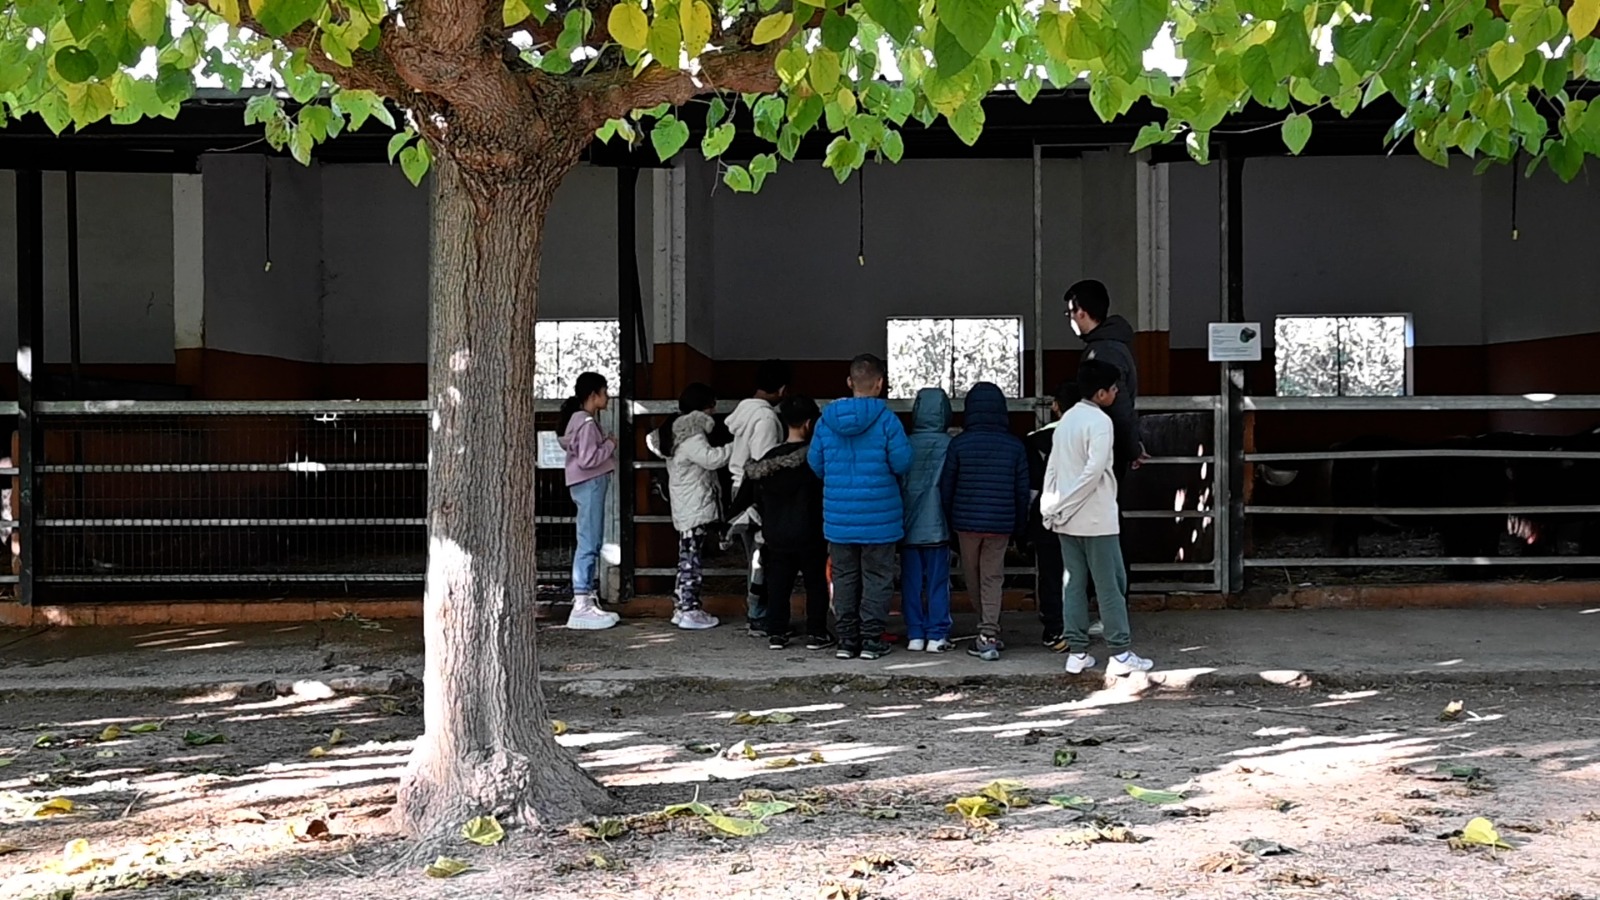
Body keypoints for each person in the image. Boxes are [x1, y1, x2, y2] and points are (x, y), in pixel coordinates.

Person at [1040, 360, 1155, 676]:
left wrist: (1052, 507)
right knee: (1110, 584)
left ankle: (1077, 651)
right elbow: (1094, 472)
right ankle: (1120, 652)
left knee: (1073, 583)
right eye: (1114, 388)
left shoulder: (1066, 420)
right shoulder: (1101, 422)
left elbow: (1053, 468)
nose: (1117, 393)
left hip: (1065, 520)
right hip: (1096, 518)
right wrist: (1069, 503)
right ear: (1101, 393)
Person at [808, 354, 913, 661]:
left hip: (839, 518)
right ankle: (871, 639)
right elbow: (903, 462)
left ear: (849, 382)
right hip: (880, 518)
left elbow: (815, 463)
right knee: (877, 577)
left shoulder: (825, 421)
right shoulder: (887, 421)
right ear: (880, 383)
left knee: (843, 577)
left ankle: (846, 640)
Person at [729, 394, 833, 651]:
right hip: (811, 533)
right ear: (809, 423)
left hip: (776, 534)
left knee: (778, 584)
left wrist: (728, 522)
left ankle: (777, 632)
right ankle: (816, 632)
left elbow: (746, 497)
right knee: (815, 583)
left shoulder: (768, 461)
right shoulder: (816, 460)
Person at [940, 382, 1030, 661]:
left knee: (972, 576)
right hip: (1001, 523)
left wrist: (948, 520)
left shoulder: (959, 444)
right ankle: (988, 632)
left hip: (966, 523)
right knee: (992, 576)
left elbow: (947, 487)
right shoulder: (1015, 446)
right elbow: (1021, 491)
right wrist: (1020, 525)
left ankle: (986, 629)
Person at [649, 383, 730, 630]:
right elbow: (712, 459)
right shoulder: (692, 435)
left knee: (686, 555)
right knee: (691, 558)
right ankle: (690, 609)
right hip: (695, 503)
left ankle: (681, 605)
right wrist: (738, 446)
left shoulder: (674, 433)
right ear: (704, 408)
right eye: (712, 405)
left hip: (685, 503)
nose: (714, 411)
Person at [725, 359, 789, 638]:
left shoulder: (744, 411)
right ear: (782, 389)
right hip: (755, 491)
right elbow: (764, 463)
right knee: (761, 556)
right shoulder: (766, 419)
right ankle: (758, 615)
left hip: (738, 487)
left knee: (754, 554)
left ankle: (757, 612)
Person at [557, 372, 621, 630]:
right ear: (594, 395)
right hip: (591, 482)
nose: (607, 397)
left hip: (585, 484)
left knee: (589, 539)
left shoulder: (579, 421)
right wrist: (609, 445)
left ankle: (586, 599)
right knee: (589, 541)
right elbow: (588, 459)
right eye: (604, 392)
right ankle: (582, 603)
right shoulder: (586, 423)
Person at [900, 387, 954, 653]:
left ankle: (914, 634)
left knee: (910, 582)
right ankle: (936, 635)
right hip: (938, 526)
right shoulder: (950, 444)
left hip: (908, 525)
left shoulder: (904, 443)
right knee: (937, 582)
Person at [1026, 383, 1070, 649]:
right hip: (1080, 513)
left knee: (1050, 571)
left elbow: (1032, 486)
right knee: (1078, 570)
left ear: (1055, 406)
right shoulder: (1091, 435)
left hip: (1046, 513)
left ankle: (1054, 629)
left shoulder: (1035, 440)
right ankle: (1076, 626)